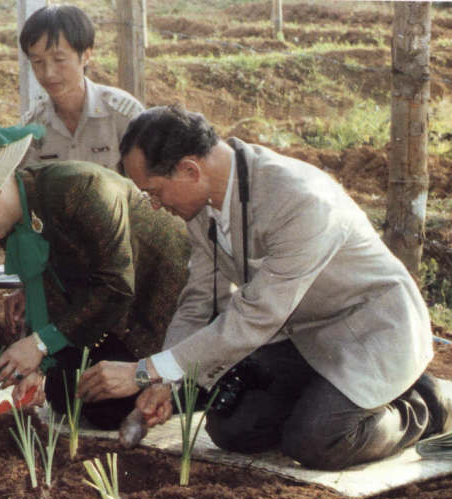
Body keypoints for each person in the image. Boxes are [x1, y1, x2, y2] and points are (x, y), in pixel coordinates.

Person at [77, 105, 452, 470]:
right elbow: (198, 302)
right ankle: (334, 398)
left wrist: (144, 372)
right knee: (233, 428)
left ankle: (431, 404)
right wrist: (168, 381)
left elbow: (256, 316)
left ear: (190, 170)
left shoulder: (299, 199)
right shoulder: (203, 205)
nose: (156, 206)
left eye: (154, 192)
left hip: (372, 331)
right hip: (304, 336)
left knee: (318, 440)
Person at [0, 113, 190, 429]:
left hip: (157, 302)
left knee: (107, 408)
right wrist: (38, 364)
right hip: (104, 306)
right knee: (63, 394)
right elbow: (45, 288)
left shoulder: (83, 189)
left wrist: (39, 344)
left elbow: (116, 286)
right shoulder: (9, 223)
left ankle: (194, 385)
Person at [18, 4, 143, 172]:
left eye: (59, 59)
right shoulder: (32, 128)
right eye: (38, 62)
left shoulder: (124, 116)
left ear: (85, 55)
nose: (48, 73)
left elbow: (147, 183)